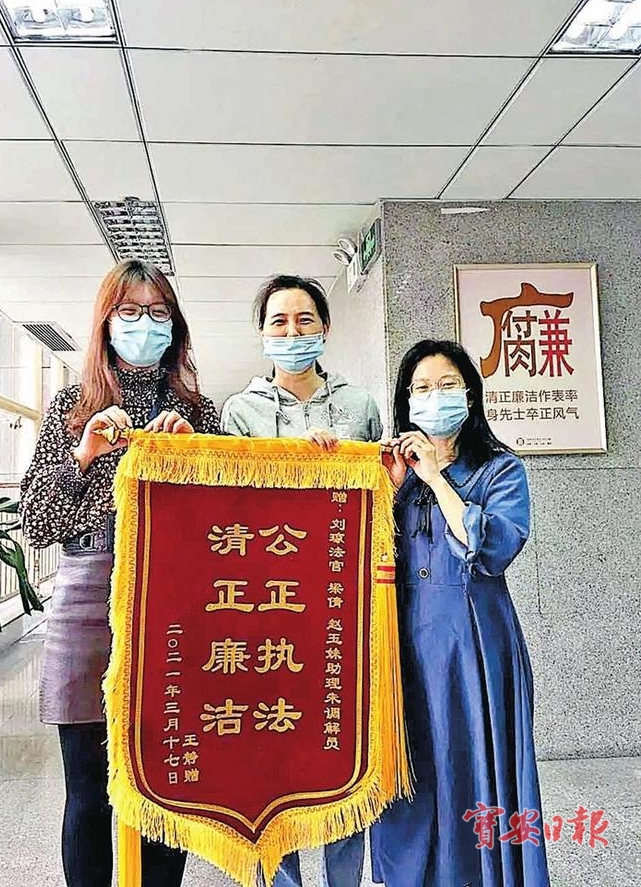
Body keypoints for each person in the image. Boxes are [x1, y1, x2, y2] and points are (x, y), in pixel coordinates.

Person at [20, 259, 221, 887]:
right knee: (87, 790)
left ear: (176, 326)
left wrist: (188, 457)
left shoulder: (200, 413)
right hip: (87, 593)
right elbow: (38, 522)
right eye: (129, 312)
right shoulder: (70, 407)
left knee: (165, 790)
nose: (144, 325)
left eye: (158, 313)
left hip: (174, 600)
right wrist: (84, 454)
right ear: (106, 323)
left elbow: (223, 528)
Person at [221, 274, 382, 887]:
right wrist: (294, 464)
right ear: (262, 333)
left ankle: (344, 878)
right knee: (274, 748)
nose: (292, 333)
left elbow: (381, 499)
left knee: (342, 739)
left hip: (342, 601)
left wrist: (343, 465)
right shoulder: (240, 411)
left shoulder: (360, 406)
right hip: (266, 605)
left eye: (305, 320)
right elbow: (230, 508)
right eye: (279, 322)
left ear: (326, 328)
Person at [370, 339, 550, 887]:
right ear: (406, 401)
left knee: (471, 763)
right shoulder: (395, 475)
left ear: (470, 395)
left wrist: (434, 477)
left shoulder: (500, 469)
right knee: (412, 771)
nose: (435, 397)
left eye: (447, 385)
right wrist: (390, 490)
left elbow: (493, 548)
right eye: (422, 388)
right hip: (404, 642)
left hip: (474, 643)